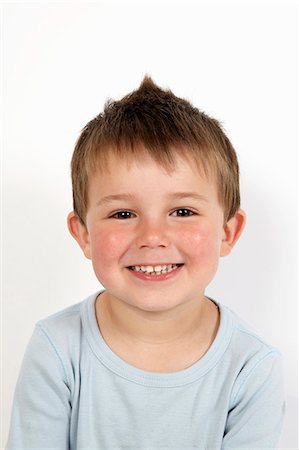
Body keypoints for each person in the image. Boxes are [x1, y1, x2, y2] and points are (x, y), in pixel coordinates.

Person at [6, 76, 285, 449]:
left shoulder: (252, 367)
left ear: (227, 233)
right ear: (84, 234)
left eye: (182, 211)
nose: (152, 237)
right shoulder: (57, 348)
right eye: (123, 214)